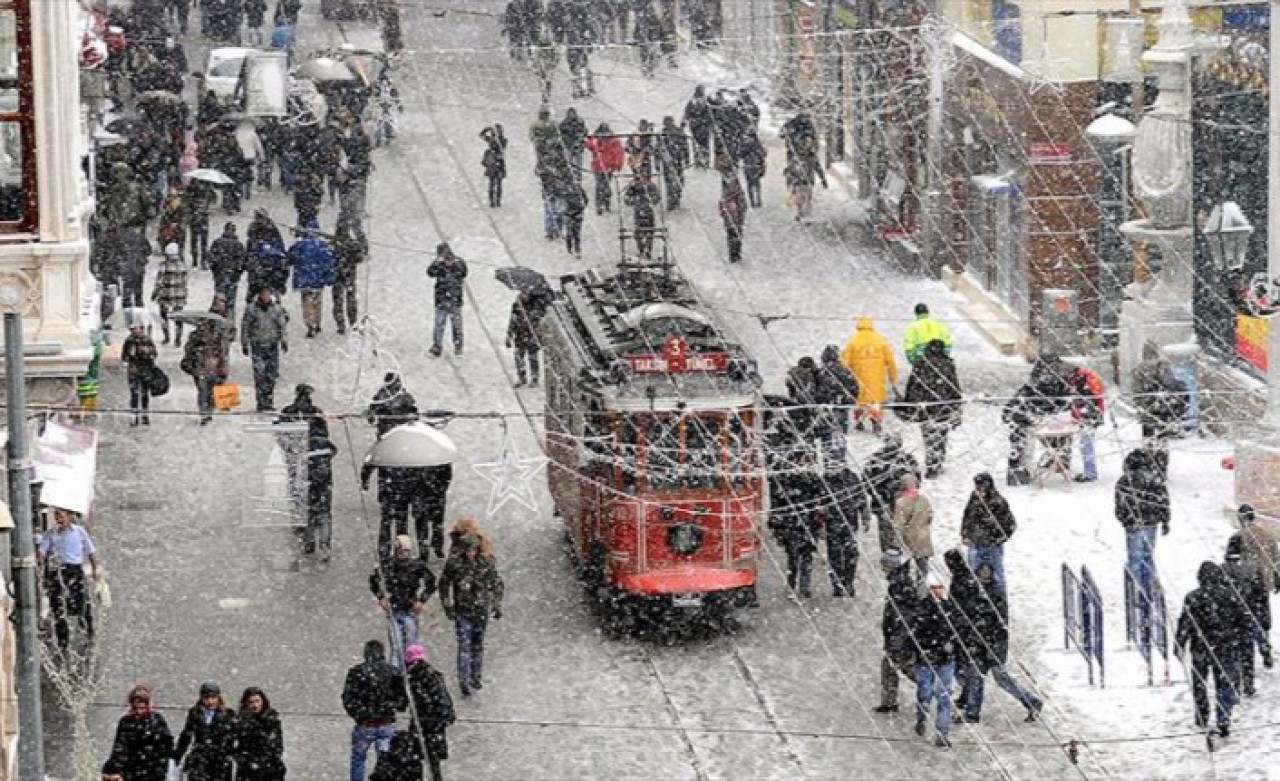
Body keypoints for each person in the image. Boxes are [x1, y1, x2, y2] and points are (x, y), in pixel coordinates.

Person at [951, 555, 1043, 723]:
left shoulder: (994, 596)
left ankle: (1032, 701)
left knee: (1000, 677)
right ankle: (972, 713)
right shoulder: (976, 592)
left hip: (992, 644)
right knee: (977, 677)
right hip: (981, 643)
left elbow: (997, 624)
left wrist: (989, 643)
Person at [1175, 562, 1246, 737]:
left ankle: (1202, 714)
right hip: (1226, 646)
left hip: (1201, 646)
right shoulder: (1231, 595)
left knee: (1200, 682)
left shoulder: (1193, 597)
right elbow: (1242, 621)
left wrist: (1180, 643)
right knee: (1224, 684)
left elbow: (1185, 622)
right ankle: (1223, 718)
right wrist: (1241, 641)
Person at [439, 528, 505, 697]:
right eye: (467, 550)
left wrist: (497, 605)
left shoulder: (486, 563)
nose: (470, 553)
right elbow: (444, 584)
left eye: (473, 550)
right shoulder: (454, 564)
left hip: (481, 610)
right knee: (464, 645)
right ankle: (464, 679)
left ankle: (475, 676)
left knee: (477, 645)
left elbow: (497, 584)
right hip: (463, 610)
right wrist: (448, 606)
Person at [1001, 355, 1074, 486]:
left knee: (1023, 444)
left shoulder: (1041, 384)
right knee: (1021, 443)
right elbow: (1012, 411)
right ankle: (1020, 472)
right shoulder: (1047, 385)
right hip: (1022, 419)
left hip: (1028, 417)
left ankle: (1057, 460)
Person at [342, 640, 408, 781]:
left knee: (358, 758)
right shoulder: (393, 671)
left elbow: (348, 698)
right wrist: (391, 706)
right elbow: (402, 700)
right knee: (385, 760)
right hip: (386, 722)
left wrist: (360, 714)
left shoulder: (356, 672)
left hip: (365, 724)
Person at [37, 507, 102, 651]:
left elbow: (91, 551)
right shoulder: (50, 534)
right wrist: (41, 568)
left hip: (75, 570)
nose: (58, 518)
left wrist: (96, 567)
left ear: (69, 516)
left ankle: (88, 635)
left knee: (82, 603)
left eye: (61, 515)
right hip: (58, 572)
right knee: (58, 606)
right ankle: (63, 641)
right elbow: (42, 554)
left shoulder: (79, 532)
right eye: (56, 516)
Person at [371, 535, 438, 671]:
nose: (404, 555)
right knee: (396, 647)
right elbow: (374, 581)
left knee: (411, 646)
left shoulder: (417, 565)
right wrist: (381, 598)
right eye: (401, 551)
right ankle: (397, 676)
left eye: (406, 551)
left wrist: (421, 600)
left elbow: (431, 583)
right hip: (393, 609)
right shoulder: (387, 565)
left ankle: (411, 673)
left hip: (410, 610)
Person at [911, 571, 961, 747]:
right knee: (924, 693)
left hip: (944, 659)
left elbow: (958, 633)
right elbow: (915, 634)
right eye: (934, 588)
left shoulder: (950, 609)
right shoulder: (921, 609)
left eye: (940, 587)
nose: (938, 591)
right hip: (928, 658)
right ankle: (921, 718)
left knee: (944, 696)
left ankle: (942, 734)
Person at [1115, 447, 1170, 601]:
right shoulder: (1155, 479)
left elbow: (1119, 505)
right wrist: (1165, 520)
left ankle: (1137, 589)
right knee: (1147, 556)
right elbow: (1164, 502)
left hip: (1133, 525)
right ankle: (1149, 586)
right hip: (1151, 523)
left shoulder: (1124, 481)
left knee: (1134, 558)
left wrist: (1124, 519)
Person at [902, 339, 962, 479]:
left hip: (926, 408)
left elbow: (912, 386)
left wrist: (910, 403)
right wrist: (956, 404)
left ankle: (931, 463)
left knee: (928, 436)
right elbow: (954, 386)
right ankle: (937, 461)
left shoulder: (921, 364)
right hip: (943, 407)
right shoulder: (947, 365)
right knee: (941, 435)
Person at [1223, 534, 1270, 697]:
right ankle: (1248, 683)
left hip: (1231, 618)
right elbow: (1262, 595)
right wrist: (1263, 614)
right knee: (1247, 650)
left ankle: (1236, 682)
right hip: (1250, 614)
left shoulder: (1223, 569)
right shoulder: (1254, 568)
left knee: (1233, 652)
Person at [768, 459, 822, 598]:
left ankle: (804, 587)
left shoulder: (813, 479)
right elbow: (776, 505)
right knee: (793, 559)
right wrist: (776, 527)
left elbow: (820, 500)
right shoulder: (783, 480)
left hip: (808, 525)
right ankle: (792, 586)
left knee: (806, 557)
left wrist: (818, 519)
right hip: (791, 527)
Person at [874, 548, 919, 714]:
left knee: (905, 668)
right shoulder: (899, 584)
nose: (882, 569)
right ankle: (889, 702)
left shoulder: (900, 587)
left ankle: (938, 691)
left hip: (899, 638)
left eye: (885, 566)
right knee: (892, 667)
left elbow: (904, 616)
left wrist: (896, 640)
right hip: (898, 636)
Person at [403, 644, 456, 781]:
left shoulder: (416, 679)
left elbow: (424, 701)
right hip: (434, 724)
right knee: (433, 761)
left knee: (421, 758)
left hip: (426, 723)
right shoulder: (434, 675)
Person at [101, 684, 174, 781]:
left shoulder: (157, 720)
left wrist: (161, 766)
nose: (139, 712)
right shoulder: (125, 722)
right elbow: (119, 747)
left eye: (142, 708)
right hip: (132, 771)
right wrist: (115, 767)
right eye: (136, 708)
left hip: (153, 770)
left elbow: (167, 744)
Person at [959, 472, 1016, 592]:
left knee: (997, 576)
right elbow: (967, 516)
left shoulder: (998, 502)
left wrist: (998, 539)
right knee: (973, 576)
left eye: (981, 486)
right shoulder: (974, 498)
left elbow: (1010, 524)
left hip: (992, 546)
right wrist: (964, 534)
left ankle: (999, 601)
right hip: (974, 544)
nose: (979, 489)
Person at [863, 432, 920, 551]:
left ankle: (901, 556)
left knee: (902, 531)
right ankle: (889, 557)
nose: (893, 445)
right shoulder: (875, 460)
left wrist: (903, 491)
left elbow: (916, 480)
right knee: (886, 531)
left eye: (896, 442)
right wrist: (880, 492)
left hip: (903, 503)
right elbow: (867, 481)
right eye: (891, 441)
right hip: (883, 502)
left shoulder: (907, 459)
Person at [841, 317, 897, 435]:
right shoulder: (880, 340)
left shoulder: (853, 341)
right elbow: (890, 361)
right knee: (875, 400)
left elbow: (844, 362)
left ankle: (859, 420)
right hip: (876, 378)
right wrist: (892, 377)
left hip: (859, 376)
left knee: (859, 400)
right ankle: (875, 421)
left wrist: (845, 378)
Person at [173, 682, 236, 781]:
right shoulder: (195, 712)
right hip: (200, 757)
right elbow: (186, 734)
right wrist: (178, 754)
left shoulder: (228, 714)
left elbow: (233, 736)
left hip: (220, 759)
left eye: (213, 697)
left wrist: (230, 752)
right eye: (206, 698)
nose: (210, 701)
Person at [240, 287, 289, 412]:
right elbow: (245, 326)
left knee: (271, 375)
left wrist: (284, 340)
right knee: (260, 374)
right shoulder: (252, 309)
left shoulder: (276, 309)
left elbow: (282, 326)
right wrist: (245, 343)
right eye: (263, 294)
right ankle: (261, 402)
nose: (265, 296)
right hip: (257, 345)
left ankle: (269, 400)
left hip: (272, 345)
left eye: (267, 294)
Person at [823, 466, 868, 598]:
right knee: (834, 554)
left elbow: (861, 497)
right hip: (832, 523)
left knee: (851, 554)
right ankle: (837, 584)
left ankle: (848, 582)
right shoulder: (826, 480)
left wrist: (865, 517)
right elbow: (820, 501)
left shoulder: (853, 478)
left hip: (850, 522)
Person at [288, 219, 337, 338]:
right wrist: (329, 277)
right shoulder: (323, 245)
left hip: (304, 279)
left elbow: (290, 256)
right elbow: (329, 262)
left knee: (307, 303)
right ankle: (317, 321)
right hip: (317, 280)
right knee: (317, 302)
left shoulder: (300, 245)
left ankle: (310, 325)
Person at [1131, 341, 1190, 440]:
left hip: (1149, 408)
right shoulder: (1163, 365)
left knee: (1148, 435)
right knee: (1162, 437)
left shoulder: (1138, 369)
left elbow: (1136, 391)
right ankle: (1161, 448)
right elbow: (1171, 384)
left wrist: (1142, 404)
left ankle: (1150, 448)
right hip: (1163, 408)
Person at [181, 309, 231, 425]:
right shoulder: (194, 336)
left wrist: (223, 365)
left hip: (215, 367)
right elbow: (188, 350)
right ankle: (204, 413)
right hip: (200, 368)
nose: (202, 325)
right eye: (200, 322)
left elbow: (223, 351)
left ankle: (210, 410)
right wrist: (196, 349)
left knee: (212, 391)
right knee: (203, 391)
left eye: (204, 322)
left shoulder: (217, 336)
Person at [815, 345, 859, 460]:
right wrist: (847, 401)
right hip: (841, 408)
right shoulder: (844, 370)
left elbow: (816, 391)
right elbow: (855, 387)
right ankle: (840, 459)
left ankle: (829, 461)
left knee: (827, 437)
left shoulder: (821, 372)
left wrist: (820, 401)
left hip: (826, 408)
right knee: (839, 436)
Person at [234, 687, 285, 780]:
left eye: (257, 701)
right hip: (248, 772)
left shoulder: (272, 721)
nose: (255, 705)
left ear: (263, 701)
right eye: (251, 702)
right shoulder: (240, 722)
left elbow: (277, 746)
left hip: (270, 771)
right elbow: (238, 746)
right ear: (246, 703)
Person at [1067, 361, 1105, 482]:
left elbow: (1084, 399)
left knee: (1086, 444)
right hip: (1091, 414)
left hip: (1088, 416)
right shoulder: (1085, 377)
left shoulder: (1082, 379)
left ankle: (1090, 473)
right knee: (1086, 443)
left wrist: (1078, 411)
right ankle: (1089, 471)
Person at [427, 243, 467, 357]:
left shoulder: (459, 263)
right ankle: (437, 346)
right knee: (439, 324)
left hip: (455, 299)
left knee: (457, 325)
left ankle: (458, 346)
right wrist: (436, 263)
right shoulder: (438, 265)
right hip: (442, 299)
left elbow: (464, 273)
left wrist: (452, 265)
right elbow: (430, 273)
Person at [891, 473, 934, 576]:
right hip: (923, 539)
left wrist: (897, 543)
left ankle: (907, 588)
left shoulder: (901, 502)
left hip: (908, 540)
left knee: (903, 570)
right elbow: (930, 516)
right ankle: (922, 588)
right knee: (923, 569)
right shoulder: (924, 499)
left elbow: (899, 524)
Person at [411, 464, 453, 561]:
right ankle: (428, 550)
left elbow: (447, 476)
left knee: (431, 524)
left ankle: (430, 549)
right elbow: (447, 476)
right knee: (430, 524)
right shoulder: (440, 457)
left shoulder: (416, 458)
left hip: (428, 495)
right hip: (427, 495)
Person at [122, 315, 158, 426]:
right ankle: (135, 416)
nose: (134, 331)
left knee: (144, 394)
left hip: (145, 369)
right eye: (132, 329)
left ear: (142, 328)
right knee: (134, 394)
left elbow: (154, 354)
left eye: (136, 328)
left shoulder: (147, 340)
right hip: (133, 370)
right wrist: (130, 354)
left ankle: (144, 415)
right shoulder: (129, 341)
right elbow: (124, 357)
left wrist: (146, 352)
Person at [1238, 503, 1280, 594]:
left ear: (1240, 519)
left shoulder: (1239, 536)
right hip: (1266, 580)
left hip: (1248, 582)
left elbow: (1234, 562)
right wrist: (1276, 577)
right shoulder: (1267, 534)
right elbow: (1276, 558)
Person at [507, 289, 547, 387]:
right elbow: (512, 320)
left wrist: (532, 318)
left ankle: (534, 377)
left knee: (532, 357)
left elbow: (540, 320)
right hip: (519, 334)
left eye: (526, 294)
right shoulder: (517, 305)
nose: (524, 296)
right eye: (523, 293)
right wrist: (509, 334)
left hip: (532, 334)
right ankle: (522, 376)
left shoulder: (536, 306)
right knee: (518, 356)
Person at [208, 222, 248, 320]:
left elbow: (211, 259)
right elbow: (243, 262)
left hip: (220, 276)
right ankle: (229, 321)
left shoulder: (217, 242)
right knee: (230, 302)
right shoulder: (239, 245)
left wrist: (216, 270)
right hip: (232, 277)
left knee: (219, 299)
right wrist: (237, 272)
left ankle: (218, 318)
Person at [332, 219, 365, 334]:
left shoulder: (333, 243)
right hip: (349, 276)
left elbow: (328, 258)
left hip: (337, 276)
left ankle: (341, 325)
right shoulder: (353, 244)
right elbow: (360, 258)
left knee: (337, 302)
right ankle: (353, 322)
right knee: (351, 300)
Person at [153, 243, 189, 347]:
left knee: (163, 316)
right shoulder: (182, 265)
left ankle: (166, 337)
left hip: (165, 295)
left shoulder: (164, 265)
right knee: (179, 317)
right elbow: (185, 281)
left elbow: (159, 281)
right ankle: (178, 338)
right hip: (179, 295)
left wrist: (155, 293)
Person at [585, 122, 624, 214]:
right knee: (600, 186)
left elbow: (618, 154)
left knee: (604, 186)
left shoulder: (614, 141)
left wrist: (616, 165)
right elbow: (589, 145)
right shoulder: (597, 141)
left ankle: (605, 204)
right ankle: (600, 205)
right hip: (598, 167)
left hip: (608, 167)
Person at [718, 169, 747, 264]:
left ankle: (736, 253)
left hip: (736, 219)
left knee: (736, 236)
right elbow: (721, 206)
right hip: (732, 220)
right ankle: (733, 254)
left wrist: (740, 212)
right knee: (732, 235)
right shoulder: (726, 195)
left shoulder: (737, 194)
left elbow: (743, 204)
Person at [682, 85, 713, 167]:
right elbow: (687, 113)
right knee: (699, 143)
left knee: (701, 144)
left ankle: (703, 160)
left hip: (700, 125)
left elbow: (710, 114)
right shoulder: (695, 101)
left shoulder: (705, 101)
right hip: (699, 126)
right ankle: (701, 160)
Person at [481, 125, 508, 207]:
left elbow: (500, 146)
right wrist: (487, 129)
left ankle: (497, 200)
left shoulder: (503, 140)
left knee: (498, 183)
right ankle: (492, 201)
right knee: (492, 182)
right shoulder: (492, 139)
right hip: (493, 163)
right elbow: (481, 135)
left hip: (497, 163)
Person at [559, 107, 588, 179]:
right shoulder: (564, 123)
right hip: (568, 146)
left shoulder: (580, 122)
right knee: (569, 163)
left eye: (572, 114)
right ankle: (570, 178)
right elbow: (562, 135)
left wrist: (580, 137)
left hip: (578, 146)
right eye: (570, 114)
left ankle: (578, 177)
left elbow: (585, 131)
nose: (571, 115)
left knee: (578, 164)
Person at [740, 131, 766, 208]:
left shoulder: (750, 145)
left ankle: (756, 200)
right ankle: (754, 201)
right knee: (752, 184)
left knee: (754, 184)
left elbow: (763, 154)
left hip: (754, 166)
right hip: (751, 166)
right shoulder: (751, 145)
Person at [562, 181, 587, 256]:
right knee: (575, 233)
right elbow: (586, 199)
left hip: (571, 213)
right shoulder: (577, 188)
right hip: (574, 213)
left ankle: (573, 249)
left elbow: (586, 199)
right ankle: (574, 249)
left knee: (573, 232)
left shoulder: (565, 188)